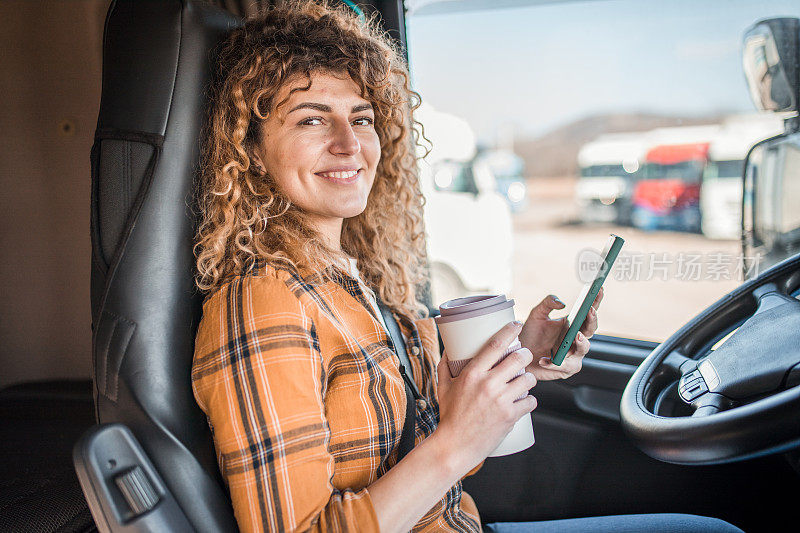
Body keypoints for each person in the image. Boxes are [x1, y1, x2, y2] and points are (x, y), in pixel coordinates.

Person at [190, 1, 742, 532]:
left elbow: (427, 454)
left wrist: (518, 357)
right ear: (252, 149)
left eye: (361, 118)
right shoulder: (263, 302)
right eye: (312, 120)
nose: (348, 143)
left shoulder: (347, 280)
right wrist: (456, 442)